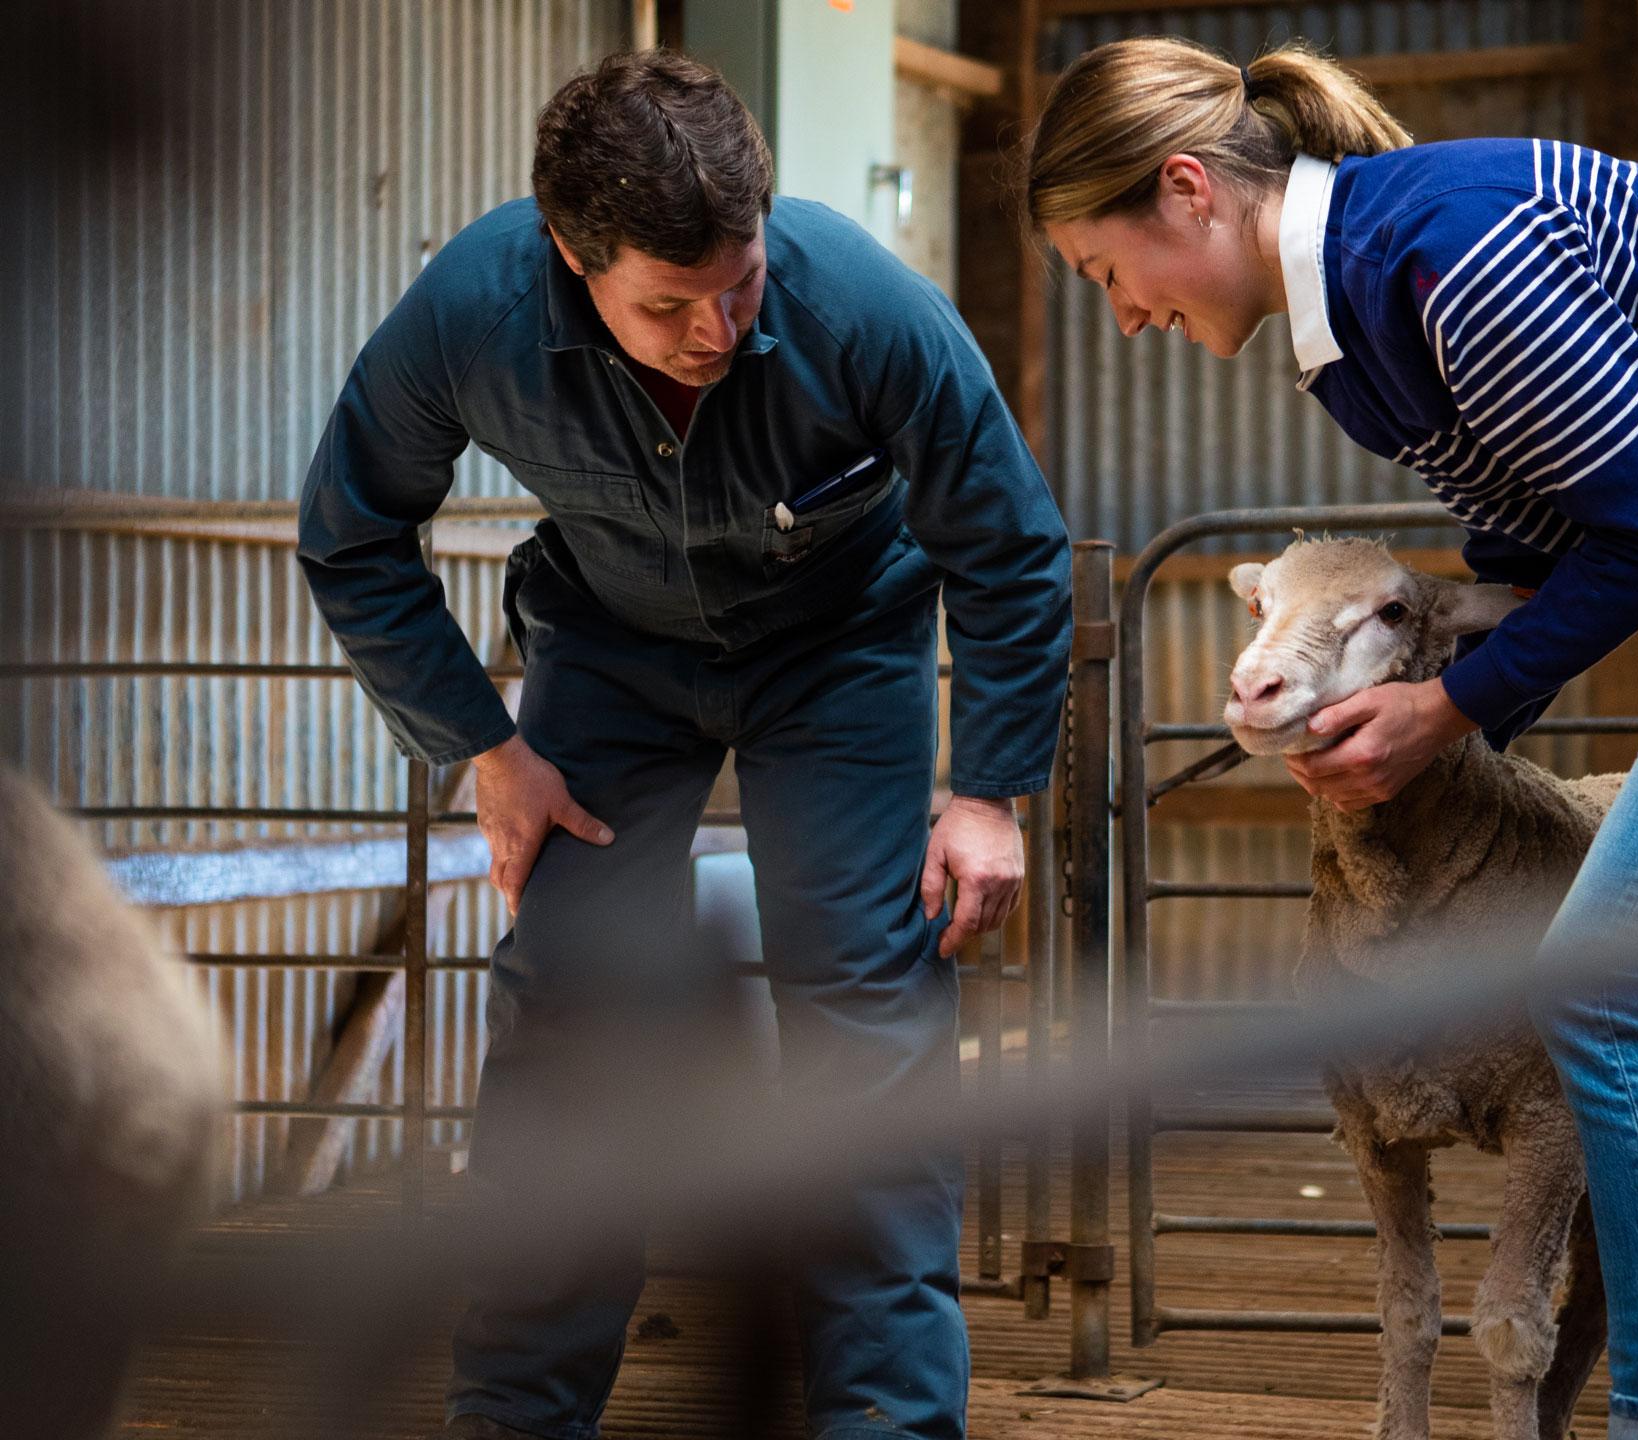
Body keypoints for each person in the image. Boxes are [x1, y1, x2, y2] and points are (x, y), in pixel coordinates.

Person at [1023, 33, 1638, 1440]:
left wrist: (1447, 707)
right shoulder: (1362, 326)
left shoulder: (1455, 256)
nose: (1123, 315)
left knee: (1612, 986)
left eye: (1103, 273)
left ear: (1188, 190)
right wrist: (1438, 725)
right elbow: (1536, 540)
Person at [298, 48, 1070, 1440]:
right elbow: (352, 533)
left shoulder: (869, 309)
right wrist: (483, 742)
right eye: (669, 306)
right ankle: (517, 1415)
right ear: (568, 257)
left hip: (839, 656)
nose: (717, 330)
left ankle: (889, 1424)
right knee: (572, 1012)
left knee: (869, 1019)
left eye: (743, 285)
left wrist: (994, 790)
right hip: (611, 653)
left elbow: (1010, 544)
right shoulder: (471, 313)